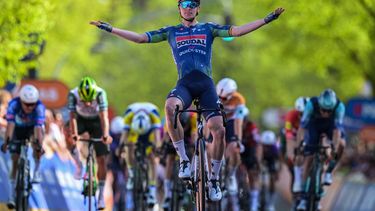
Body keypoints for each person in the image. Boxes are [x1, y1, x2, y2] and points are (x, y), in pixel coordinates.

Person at [91, 0, 284, 201]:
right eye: (185, 3)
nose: (189, 6)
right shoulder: (171, 31)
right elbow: (140, 38)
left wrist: (266, 20)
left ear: (198, 8)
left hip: (206, 86)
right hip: (185, 85)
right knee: (170, 107)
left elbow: (237, 31)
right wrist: (110, 29)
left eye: (194, 3)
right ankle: (184, 159)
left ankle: (215, 179)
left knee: (219, 130)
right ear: (179, 8)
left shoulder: (209, 28)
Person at [296, 89, 346, 211]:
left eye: (329, 111)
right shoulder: (311, 105)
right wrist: (300, 145)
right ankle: (303, 198)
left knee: (341, 145)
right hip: (314, 125)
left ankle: (329, 171)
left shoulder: (339, 107)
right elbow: (302, 128)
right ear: (319, 105)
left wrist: (334, 147)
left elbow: (337, 131)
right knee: (308, 160)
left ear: (333, 108)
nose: (326, 113)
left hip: (331, 126)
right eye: (323, 110)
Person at [68, 76, 112, 210]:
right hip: (80, 119)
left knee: (102, 160)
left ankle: (100, 197)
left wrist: (105, 134)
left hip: (97, 122)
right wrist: (74, 135)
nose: (87, 104)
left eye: (90, 101)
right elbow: (72, 118)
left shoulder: (100, 94)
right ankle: (78, 165)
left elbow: (104, 117)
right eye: (84, 101)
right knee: (69, 135)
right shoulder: (73, 95)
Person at [0, 85, 45, 209]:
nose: (30, 107)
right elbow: (10, 126)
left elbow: (37, 130)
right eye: (26, 104)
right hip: (17, 129)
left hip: (32, 129)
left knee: (38, 143)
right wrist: (7, 142)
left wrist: (38, 145)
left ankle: (36, 170)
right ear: (21, 101)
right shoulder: (13, 105)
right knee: (14, 159)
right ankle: (11, 194)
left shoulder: (39, 107)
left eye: (32, 104)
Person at [119, 102, 162, 207]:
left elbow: (157, 138)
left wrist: (157, 149)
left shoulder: (154, 116)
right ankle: (131, 172)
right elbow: (124, 136)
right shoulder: (129, 116)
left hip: (149, 132)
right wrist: (120, 148)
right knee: (128, 145)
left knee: (152, 157)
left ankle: (152, 190)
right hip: (135, 132)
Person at [216, 77, 248, 208]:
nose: (221, 100)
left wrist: (237, 140)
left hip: (232, 123)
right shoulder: (214, 95)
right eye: (220, 98)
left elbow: (238, 122)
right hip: (218, 120)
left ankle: (231, 173)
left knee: (235, 147)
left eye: (224, 98)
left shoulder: (239, 99)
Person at [162, 111, 197, 208]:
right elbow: (166, 133)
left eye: (185, 126)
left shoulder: (192, 117)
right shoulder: (171, 117)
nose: (183, 127)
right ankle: (167, 193)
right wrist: (163, 145)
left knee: (192, 154)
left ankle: (189, 184)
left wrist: (194, 145)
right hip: (173, 136)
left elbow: (194, 133)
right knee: (169, 159)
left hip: (187, 138)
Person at [281, 97, 309, 193]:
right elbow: (288, 133)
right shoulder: (291, 115)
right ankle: (294, 171)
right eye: (301, 113)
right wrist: (292, 151)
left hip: (306, 135)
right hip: (292, 135)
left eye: (305, 113)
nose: (303, 116)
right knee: (287, 146)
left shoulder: (312, 115)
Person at [240, 116, 261, 211]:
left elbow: (257, 145)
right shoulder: (233, 125)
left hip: (250, 151)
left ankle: (254, 202)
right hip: (239, 152)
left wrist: (257, 161)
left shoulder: (252, 127)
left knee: (253, 175)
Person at [260, 130, 281, 211]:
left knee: (273, 179)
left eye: (269, 146)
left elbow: (278, 161)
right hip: (262, 159)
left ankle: (271, 202)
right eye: (265, 146)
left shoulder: (275, 149)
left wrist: (277, 172)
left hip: (271, 161)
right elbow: (258, 159)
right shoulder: (260, 148)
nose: (266, 148)